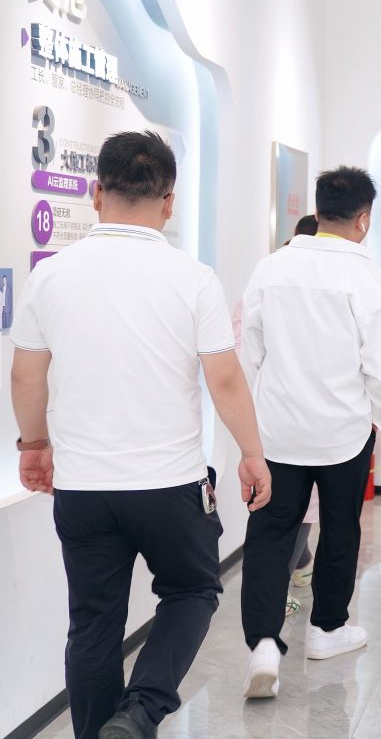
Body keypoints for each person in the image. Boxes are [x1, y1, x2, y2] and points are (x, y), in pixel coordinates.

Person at [10, 130, 272, 739]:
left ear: (96, 192)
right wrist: (252, 454)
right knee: (193, 590)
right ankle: (140, 712)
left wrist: (34, 445)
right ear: (169, 201)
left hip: (83, 486)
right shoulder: (193, 277)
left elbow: (25, 374)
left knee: (93, 624)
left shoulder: (52, 275)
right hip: (168, 483)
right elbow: (224, 378)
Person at [239, 166, 381, 699]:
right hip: (344, 431)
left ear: (316, 209)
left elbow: (250, 350)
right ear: (364, 218)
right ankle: (326, 629)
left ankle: (264, 643)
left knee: (270, 531)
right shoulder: (370, 279)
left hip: (278, 429)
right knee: (340, 528)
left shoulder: (271, 268)